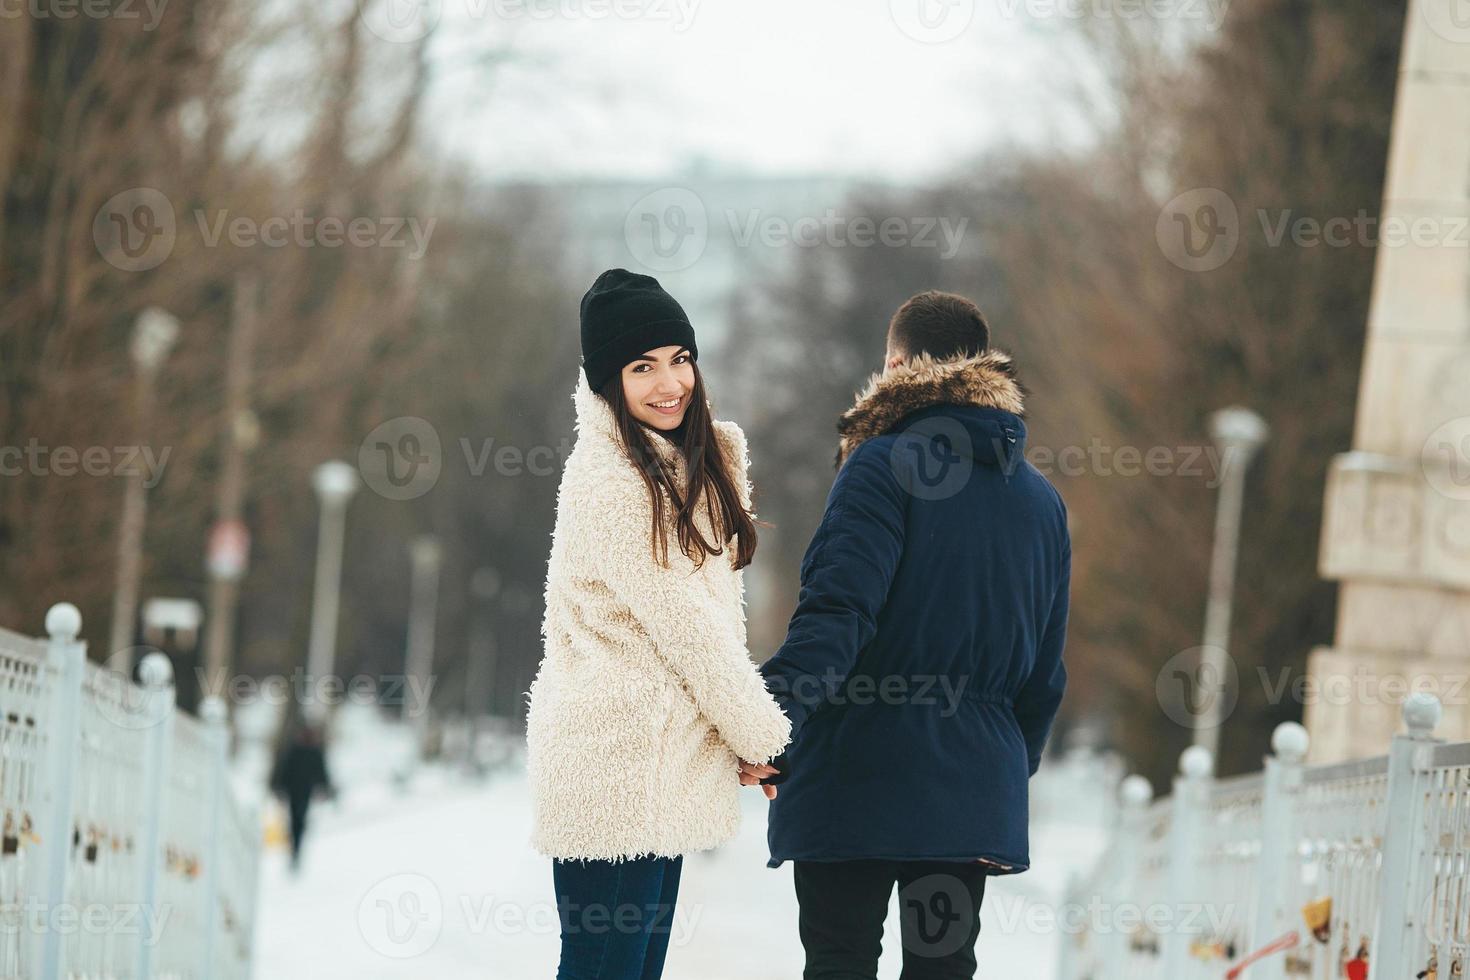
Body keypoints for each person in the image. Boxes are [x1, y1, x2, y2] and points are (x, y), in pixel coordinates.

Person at [750, 290, 1071, 980]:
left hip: (857, 773)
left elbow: (839, 614)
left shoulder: (881, 464)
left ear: (895, 363)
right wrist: (1006, 767)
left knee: (841, 960)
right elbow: (1045, 671)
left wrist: (767, 721)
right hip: (973, 780)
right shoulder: (1042, 502)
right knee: (943, 967)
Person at [524, 268, 791, 980]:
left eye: (680, 359)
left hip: (657, 767)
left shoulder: (680, 468)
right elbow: (689, 633)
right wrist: (764, 738)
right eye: (643, 367)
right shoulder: (609, 478)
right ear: (610, 382)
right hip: (612, 765)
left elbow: (712, 625)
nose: (669, 382)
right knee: (603, 968)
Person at [269, 718, 336, 874]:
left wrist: (324, 788)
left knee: (300, 821)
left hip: (305, 793)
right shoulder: (294, 750)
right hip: (293, 792)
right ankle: (294, 850)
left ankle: (296, 851)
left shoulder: (314, 751)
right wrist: (278, 788)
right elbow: (284, 771)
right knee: (294, 822)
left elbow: (321, 771)